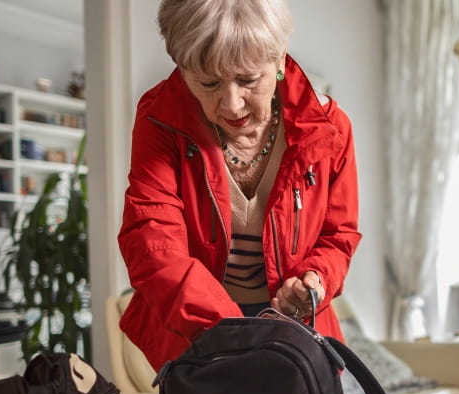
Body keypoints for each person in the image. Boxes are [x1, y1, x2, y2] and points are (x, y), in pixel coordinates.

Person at [118, 0, 361, 371]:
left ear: (279, 60)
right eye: (209, 82)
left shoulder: (329, 127)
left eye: (248, 80)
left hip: (298, 331)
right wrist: (233, 334)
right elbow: (152, 243)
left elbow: (338, 234)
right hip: (196, 329)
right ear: (182, 69)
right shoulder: (158, 119)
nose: (231, 105)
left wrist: (314, 281)